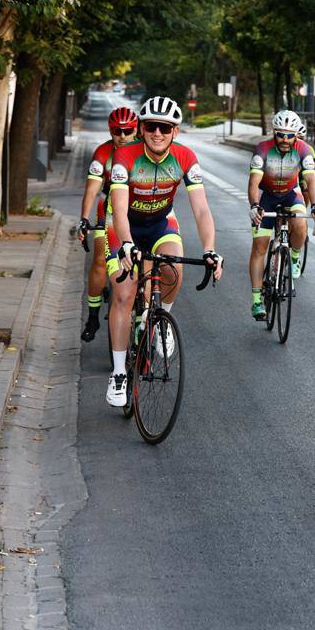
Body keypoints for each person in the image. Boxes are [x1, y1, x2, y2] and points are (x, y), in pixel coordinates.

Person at [104, 96, 224, 407]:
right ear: (142, 129)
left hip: (160, 222)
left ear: (176, 132)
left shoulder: (185, 157)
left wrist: (210, 249)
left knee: (174, 270)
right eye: (152, 126)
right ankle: (118, 373)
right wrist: (127, 244)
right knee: (124, 292)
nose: (158, 133)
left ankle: (160, 323)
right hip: (123, 226)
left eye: (166, 128)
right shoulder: (125, 156)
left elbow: (201, 210)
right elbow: (117, 208)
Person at [247, 109, 315, 320]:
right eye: (280, 134)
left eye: (290, 135)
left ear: (296, 135)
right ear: (274, 132)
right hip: (266, 196)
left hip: (291, 194)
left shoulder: (304, 150)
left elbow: (310, 181)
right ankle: (256, 301)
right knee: (259, 246)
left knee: (300, 225)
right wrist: (254, 205)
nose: (285, 139)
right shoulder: (262, 149)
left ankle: (295, 257)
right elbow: (253, 183)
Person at [76, 106, 138, 342]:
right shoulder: (102, 153)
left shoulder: (144, 150)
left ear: (137, 130)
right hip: (109, 210)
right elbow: (92, 190)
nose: (122, 136)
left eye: (128, 130)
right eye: (117, 131)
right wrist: (83, 218)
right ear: (110, 131)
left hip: (138, 211)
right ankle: (92, 316)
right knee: (100, 260)